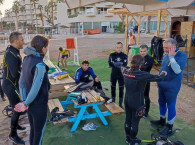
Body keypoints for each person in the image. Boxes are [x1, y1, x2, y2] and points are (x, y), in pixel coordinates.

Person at [122, 54, 167, 145]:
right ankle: (133, 140)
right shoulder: (142, 74)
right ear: (141, 64)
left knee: (128, 120)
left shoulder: (125, 71)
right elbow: (158, 78)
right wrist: (163, 73)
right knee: (135, 122)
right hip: (137, 102)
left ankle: (128, 138)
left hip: (127, 99)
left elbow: (123, 67)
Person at [14, 35, 50, 145]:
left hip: (30, 105)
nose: (47, 49)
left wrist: (25, 101)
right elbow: (35, 88)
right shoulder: (39, 64)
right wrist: (26, 102)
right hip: (38, 105)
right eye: (47, 47)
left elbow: (22, 83)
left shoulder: (26, 58)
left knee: (33, 132)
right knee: (38, 135)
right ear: (43, 48)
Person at [150, 38, 187, 136]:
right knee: (161, 102)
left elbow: (177, 71)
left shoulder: (182, 55)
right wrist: (159, 79)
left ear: (174, 47)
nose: (164, 49)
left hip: (172, 86)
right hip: (162, 84)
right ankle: (162, 120)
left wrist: (171, 57)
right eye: (164, 47)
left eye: (167, 48)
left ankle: (169, 127)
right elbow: (163, 68)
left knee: (170, 106)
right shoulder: (166, 55)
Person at [2, 32, 25, 144]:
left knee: (17, 108)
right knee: (17, 109)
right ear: (16, 41)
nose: (23, 41)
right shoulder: (11, 53)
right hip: (9, 85)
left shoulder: (15, 51)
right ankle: (12, 134)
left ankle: (16, 124)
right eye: (21, 39)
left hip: (13, 84)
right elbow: (15, 74)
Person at [108, 42, 128, 107]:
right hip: (113, 74)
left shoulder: (124, 56)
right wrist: (120, 63)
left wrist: (115, 63)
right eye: (117, 47)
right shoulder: (112, 55)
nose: (119, 49)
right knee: (113, 88)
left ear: (122, 48)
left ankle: (120, 104)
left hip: (121, 75)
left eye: (120, 47)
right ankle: (113, 101)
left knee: (121, 89)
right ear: (115, 47)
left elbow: (124, 65)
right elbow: (110, 64)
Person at [139, 44, 154, 117]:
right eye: (141, 51)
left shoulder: (150, 58)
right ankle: (139, 110)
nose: (142, 53)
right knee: (138, 95)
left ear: (147, 51)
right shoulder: (138, 58)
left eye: (144, 51)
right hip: (138, 80)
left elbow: (145, 68)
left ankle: (146, 112)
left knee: (146, 96)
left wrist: (139, 67)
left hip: (146, 80)